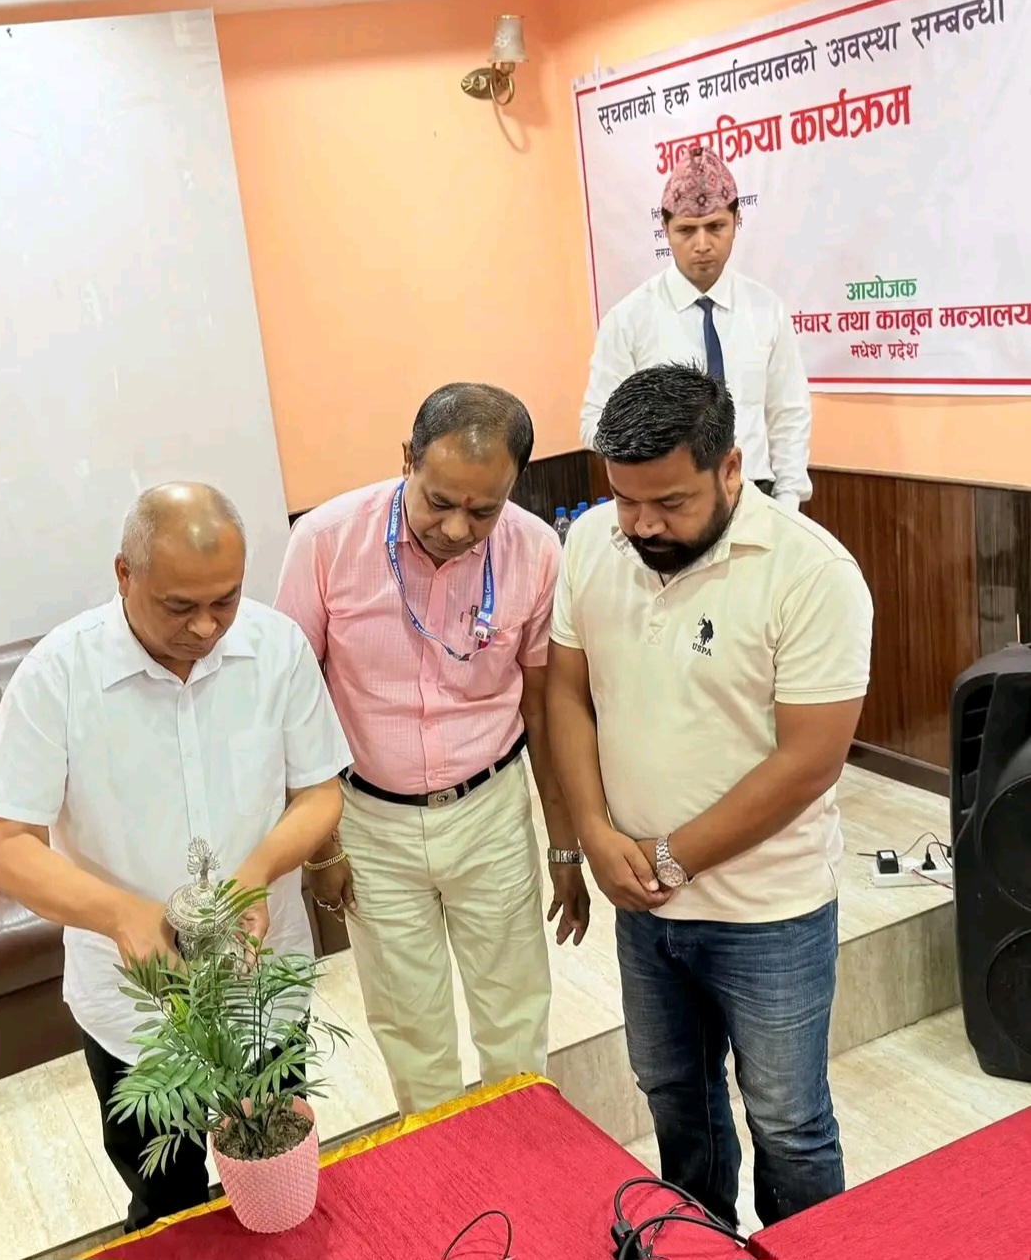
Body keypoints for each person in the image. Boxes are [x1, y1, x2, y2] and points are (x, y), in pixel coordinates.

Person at [0, 483, 351, 1232]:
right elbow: (10, 848)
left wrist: (254, 878)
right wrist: (121, 915)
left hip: (260, 984)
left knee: (275, 1179)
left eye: (225, 600)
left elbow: (318, 794)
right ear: (124, 574)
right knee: (166, 1202)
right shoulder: (58, 674)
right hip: (135, 1009)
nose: (205, 626)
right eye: (179, 606)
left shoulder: (275, 648)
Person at [547, 364, 873, 1229]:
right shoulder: (592, 544)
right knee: (674, 1099)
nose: (643, 525)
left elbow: (809, 761)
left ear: (731, 467)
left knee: (789, 1121)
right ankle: (699, 1241)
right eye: (625, 499)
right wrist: (591, 830)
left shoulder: (811, 572)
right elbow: (566, 693)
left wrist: (668, 856)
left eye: (670, 502)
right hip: (644, 907)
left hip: (769, 910)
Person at [275, 382, 589, 1117]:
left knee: (515, 1009)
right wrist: (320, 847)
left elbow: (543, 707)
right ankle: (442, 1165)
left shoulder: (536, 551)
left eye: (483, 511)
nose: (456, 528)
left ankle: (523, 1149)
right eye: (439, 501)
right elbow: (292, 702)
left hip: (490, 810)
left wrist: (564, 845)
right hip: (370, 820)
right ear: (407, 459)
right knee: (410, 1024)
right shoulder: (326, 541)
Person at [579, 146, 812, 509]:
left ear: (736, 221)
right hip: (669, 504)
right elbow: (594, 423)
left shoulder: (768, 312)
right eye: (686, 230)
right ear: (665, 229)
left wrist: (788, 502)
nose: (702, 244)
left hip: (757, 496)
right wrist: (657, 445)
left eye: (716, 226)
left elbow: (789, 414)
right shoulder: (628, 320)